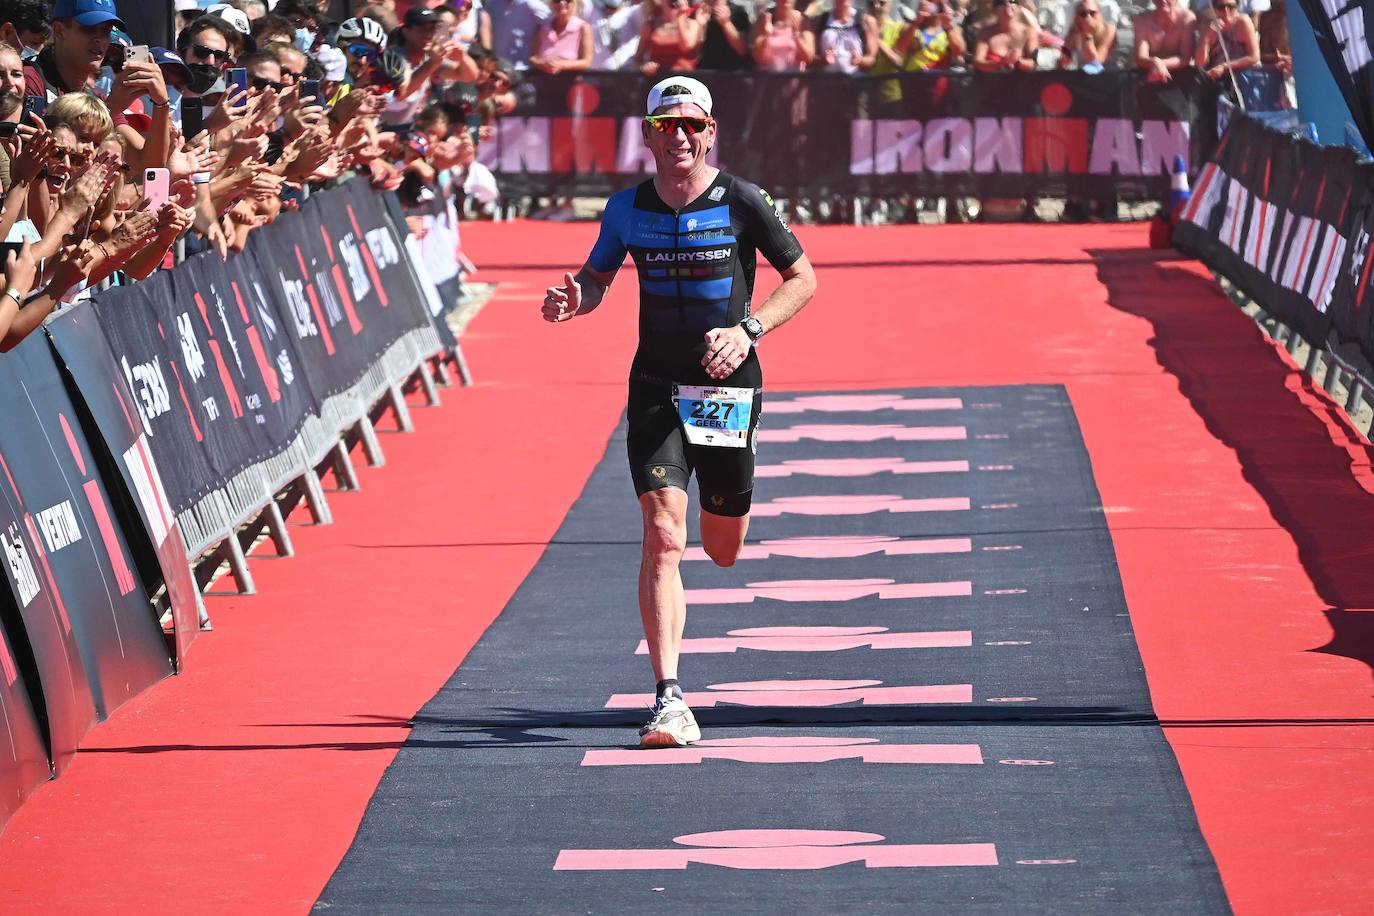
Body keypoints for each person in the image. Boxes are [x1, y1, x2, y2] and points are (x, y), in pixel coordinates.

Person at [540, 76, 817, 748]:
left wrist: (747, 330)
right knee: (665, 533)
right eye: (668, 127)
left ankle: (730, 501)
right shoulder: (626, 210)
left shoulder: (743, 200)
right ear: (649, 136)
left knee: (721, 547)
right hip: (657, 385)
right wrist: (577, 300)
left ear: (711, 132)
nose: (681, 138)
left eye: (692, 126)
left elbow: (803, 278)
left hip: (727, 389)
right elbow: (599, 278)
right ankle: (668, 698)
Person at [1133, 0, 1196, 82]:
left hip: (1181, 74)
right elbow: (1141, 58)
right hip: (1149, 73)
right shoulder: (1142, 20)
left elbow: (1185, 57)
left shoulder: (1187, 18)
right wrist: (1154, 62)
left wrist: (1160, 63)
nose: (1162, 0)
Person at [1195, 0, 1258, 82]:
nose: (1226, 11)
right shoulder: (1208, 24)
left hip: (1242, 76)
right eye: (1221, 7)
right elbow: (1199, 63)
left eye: (1231, 7)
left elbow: (1254, 57)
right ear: (1214, 9)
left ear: (1237, 7)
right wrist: (1206, 38)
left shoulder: (1243, 22)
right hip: (1216, 78)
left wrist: (1225, 66)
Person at [638, 0, 704, 73]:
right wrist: (645, 66)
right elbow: (637, 59)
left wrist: (680, 18)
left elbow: (686, 45)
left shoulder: (692, 24)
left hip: (684, 77)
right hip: (657, 78)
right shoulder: (651, 26)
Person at [529, 0, 596, 72]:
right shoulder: (542, 28)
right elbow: (532, 58)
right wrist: (542, 64)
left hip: (572, 81)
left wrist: (561, 65)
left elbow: (587, 62)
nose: (562, 3)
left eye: (568, 0)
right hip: (542, 80)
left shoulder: (583, 28)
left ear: (575, 3)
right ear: (551, 4)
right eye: (557, 0)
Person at [813, 0, 877, 72]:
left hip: (856, 80)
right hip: (826, 80)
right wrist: (823, 60)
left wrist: (860, 60)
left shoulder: (866, 21)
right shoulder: (820, 21)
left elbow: (872, 59)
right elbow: (811, 58)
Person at [972, 0, 1037, 70]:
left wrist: (1017, 62)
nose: (1008, 4)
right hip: (992, 79)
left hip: (1021, 80)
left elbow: (1034, 62)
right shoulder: (986, 33)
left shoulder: (1028, 32)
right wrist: (1000, 64)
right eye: (1001, 2)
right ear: (995, 9)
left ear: (1019, 7)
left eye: (1012, 1)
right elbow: (977, 62)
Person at [750, 0, 814, 70]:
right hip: (766, 78)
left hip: (794, 79)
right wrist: (767, 35)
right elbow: (758, 59)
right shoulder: (763, 19)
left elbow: (808, 58)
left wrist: (796, 36)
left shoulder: (802, 20)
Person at [695, 0, 754, 70]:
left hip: (734, 72)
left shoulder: (739, 12)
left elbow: (743, 50)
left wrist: (726, 23)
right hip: (706, 71)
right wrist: (700, 26)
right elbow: (692, 52)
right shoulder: (698, 11)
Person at [1059, 0, 1115, 70]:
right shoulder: (1074, 31)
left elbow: (1095, 64)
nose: (1088, 17)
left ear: (1100, 14)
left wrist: (1087, 34)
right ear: (1077, 17)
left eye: (1092, 13)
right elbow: (1063, 61)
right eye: (1083, 14)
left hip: (1108, 75)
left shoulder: (1109, 30)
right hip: (1083, 76)